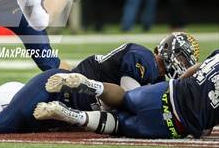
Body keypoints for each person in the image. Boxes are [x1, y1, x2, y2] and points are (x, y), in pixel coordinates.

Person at [0, 32, 198, 133]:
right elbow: (131, 101)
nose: (183, 68)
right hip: (54, 90)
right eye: (183, 61)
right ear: (170, 51)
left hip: (62, 105)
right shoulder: (143, 60)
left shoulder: (153, 74)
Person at [34, 49, 219, 139]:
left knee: (124, 98)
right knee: (118, 125)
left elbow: (195, 70)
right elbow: (205, 130)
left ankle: (91, 85)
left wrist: (179, 83)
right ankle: (75, 116)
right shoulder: (142, 58)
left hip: (168, 89)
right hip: (178, 122)